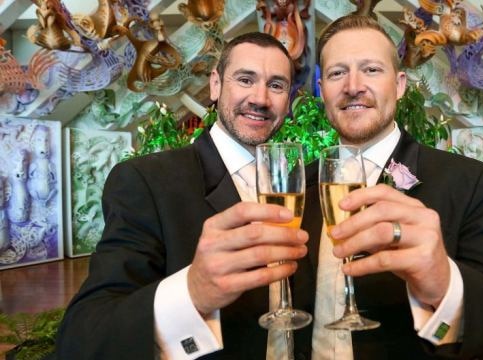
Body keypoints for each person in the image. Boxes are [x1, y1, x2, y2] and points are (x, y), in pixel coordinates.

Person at [300, 14, 483, 359]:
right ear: (321, 89)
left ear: (400, 85)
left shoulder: (469, 182)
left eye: (371, 70)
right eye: (337, 73)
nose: (353, 85)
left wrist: (445, 282)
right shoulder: (299, 188)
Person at [56, 32, 310, 359]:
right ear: (216, 85)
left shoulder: (294, 186)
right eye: (245, 79)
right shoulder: (146, 181)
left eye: (276, 85)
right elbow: (83, 337)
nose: (260, 98)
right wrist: (193, 291)